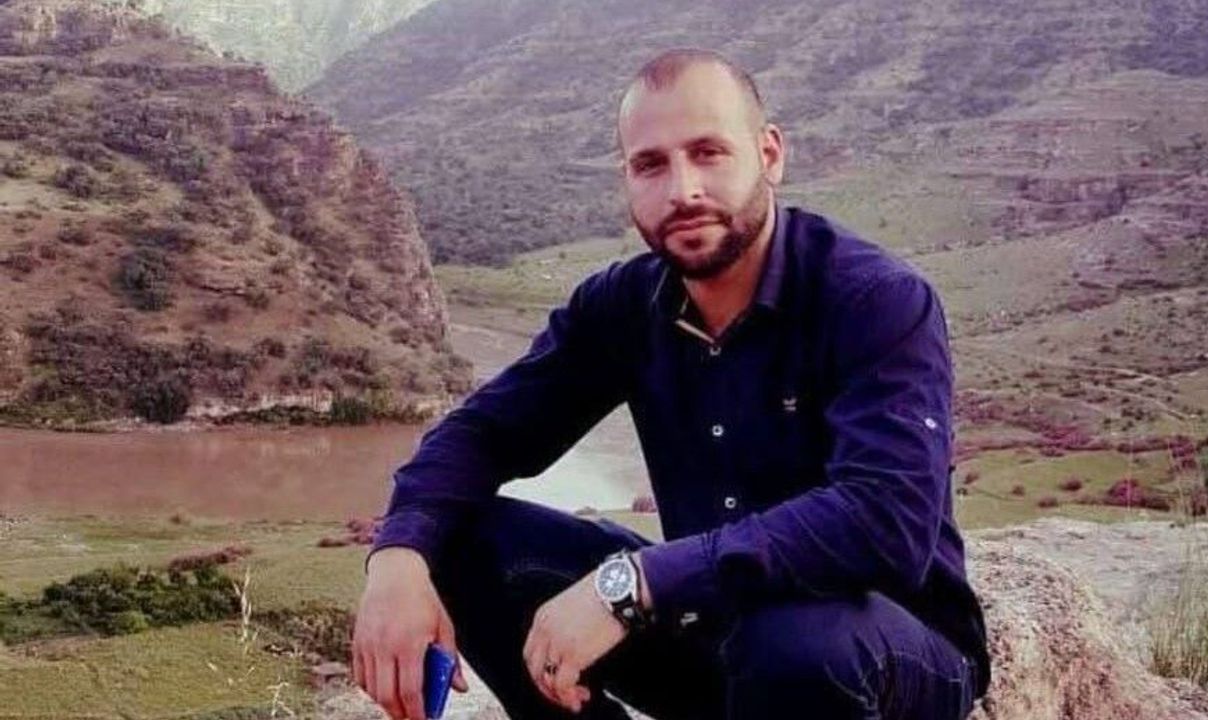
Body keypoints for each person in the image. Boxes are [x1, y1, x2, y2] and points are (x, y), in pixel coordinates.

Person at [352, 48, 990, 720]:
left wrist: (634, 583)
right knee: (465, 540)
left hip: (881, 653)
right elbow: (481, 435)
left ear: (769, 155)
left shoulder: (874, 300)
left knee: (794, 644)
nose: (682, 190)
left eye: (709, 153)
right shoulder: (622, 307)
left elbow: (886, 521)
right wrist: (398, 556)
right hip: (710, 630)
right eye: (651, 164)